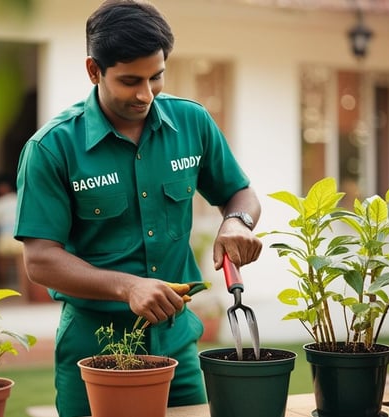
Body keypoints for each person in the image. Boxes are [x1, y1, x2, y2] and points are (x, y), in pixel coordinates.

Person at [13, 1, 263, 416]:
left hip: (176, 343)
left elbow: (240, 193)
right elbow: (40, 260)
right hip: (92, 349)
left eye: (156, 76)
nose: (146, 94)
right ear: (94, 70)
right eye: (130, 81)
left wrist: (238, 222)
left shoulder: (192, 123)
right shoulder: (52, 148)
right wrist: (127, 287)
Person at [0, 172, 27, 296]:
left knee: (4, 268)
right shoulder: (19, 198)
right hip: (18, 237)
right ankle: (25, 296)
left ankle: (3, 294)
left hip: (5, 237)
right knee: (21, 268)